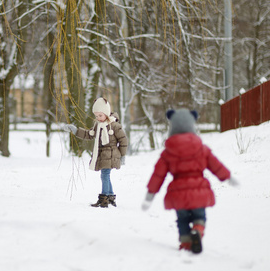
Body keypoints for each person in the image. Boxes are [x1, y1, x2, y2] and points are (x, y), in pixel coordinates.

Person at [141, 109, 237, 254]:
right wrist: (228, 177)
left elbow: (158, 175)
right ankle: (198, 230)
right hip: (199, 191)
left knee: (182, 220)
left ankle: (186, 244)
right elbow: (215, 165)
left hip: (178, 194)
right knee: (200, 216)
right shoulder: (201, 148)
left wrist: (150, 194)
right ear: (192, 125)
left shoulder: (168, 152)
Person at [63, 98, 128, 208]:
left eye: (100, 115)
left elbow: (123, 140)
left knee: (105, 175)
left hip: (112, 155)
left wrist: (123, 155)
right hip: (103, 155)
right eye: (96, 116)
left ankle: (104, 200)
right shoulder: (98, 125)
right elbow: (89, 134)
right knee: (106, 175)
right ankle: (110, 197)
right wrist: (75, 130)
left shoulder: (115, 126)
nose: (98, 118)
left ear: (106, 114)